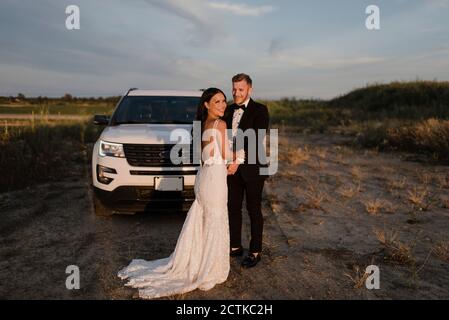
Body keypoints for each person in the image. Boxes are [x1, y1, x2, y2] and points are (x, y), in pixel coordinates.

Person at [117, 88, 242, 299]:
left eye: (223, 101)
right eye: (217, 101)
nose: (222, 105)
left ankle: (197, 259)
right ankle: (208, 267)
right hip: (214, 181)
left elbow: (207, 155)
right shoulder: (219, 125)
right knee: (214, 219)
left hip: (204, 178)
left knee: (204, 219)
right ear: (206, 105)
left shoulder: (200, 125)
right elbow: (226, 155)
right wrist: (239, 156)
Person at [223, 73, 270, 268]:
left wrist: (237, 161)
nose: (236, 93)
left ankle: (255, 250)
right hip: (230, 168)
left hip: (252, 169)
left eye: (240, 89)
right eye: (234, 89)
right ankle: (235, 246)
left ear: (249, 89)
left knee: (253, 209)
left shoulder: (260, 110)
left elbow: (255, 138)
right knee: (232, 207)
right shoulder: (227, 109)